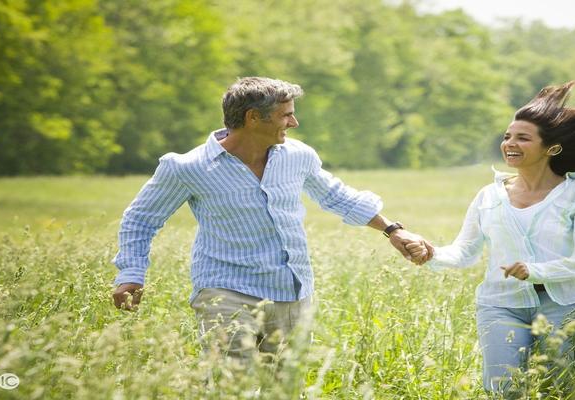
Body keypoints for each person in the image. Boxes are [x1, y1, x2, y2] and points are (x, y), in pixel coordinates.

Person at [111, 77, 432, 371]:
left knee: (284, 388)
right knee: (230, 387)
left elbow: (337, 196)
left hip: (292, 291)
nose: (294, 122)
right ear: (253, 118)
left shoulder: (298, 156)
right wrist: (131, 274)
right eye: (285, 115)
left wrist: (393, 229)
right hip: (225, 293)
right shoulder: (188, 167)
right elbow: (141, 220)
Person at [408, 81, 575, 394]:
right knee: (503, 388)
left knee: (558, 390)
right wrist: (432, 254)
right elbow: (465, 251)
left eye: (523, 138)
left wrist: (536, 270)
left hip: (568, 306)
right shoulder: (488, 196)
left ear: (551, 148)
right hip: (501, 304)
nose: (510, 143)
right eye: (507, 136)